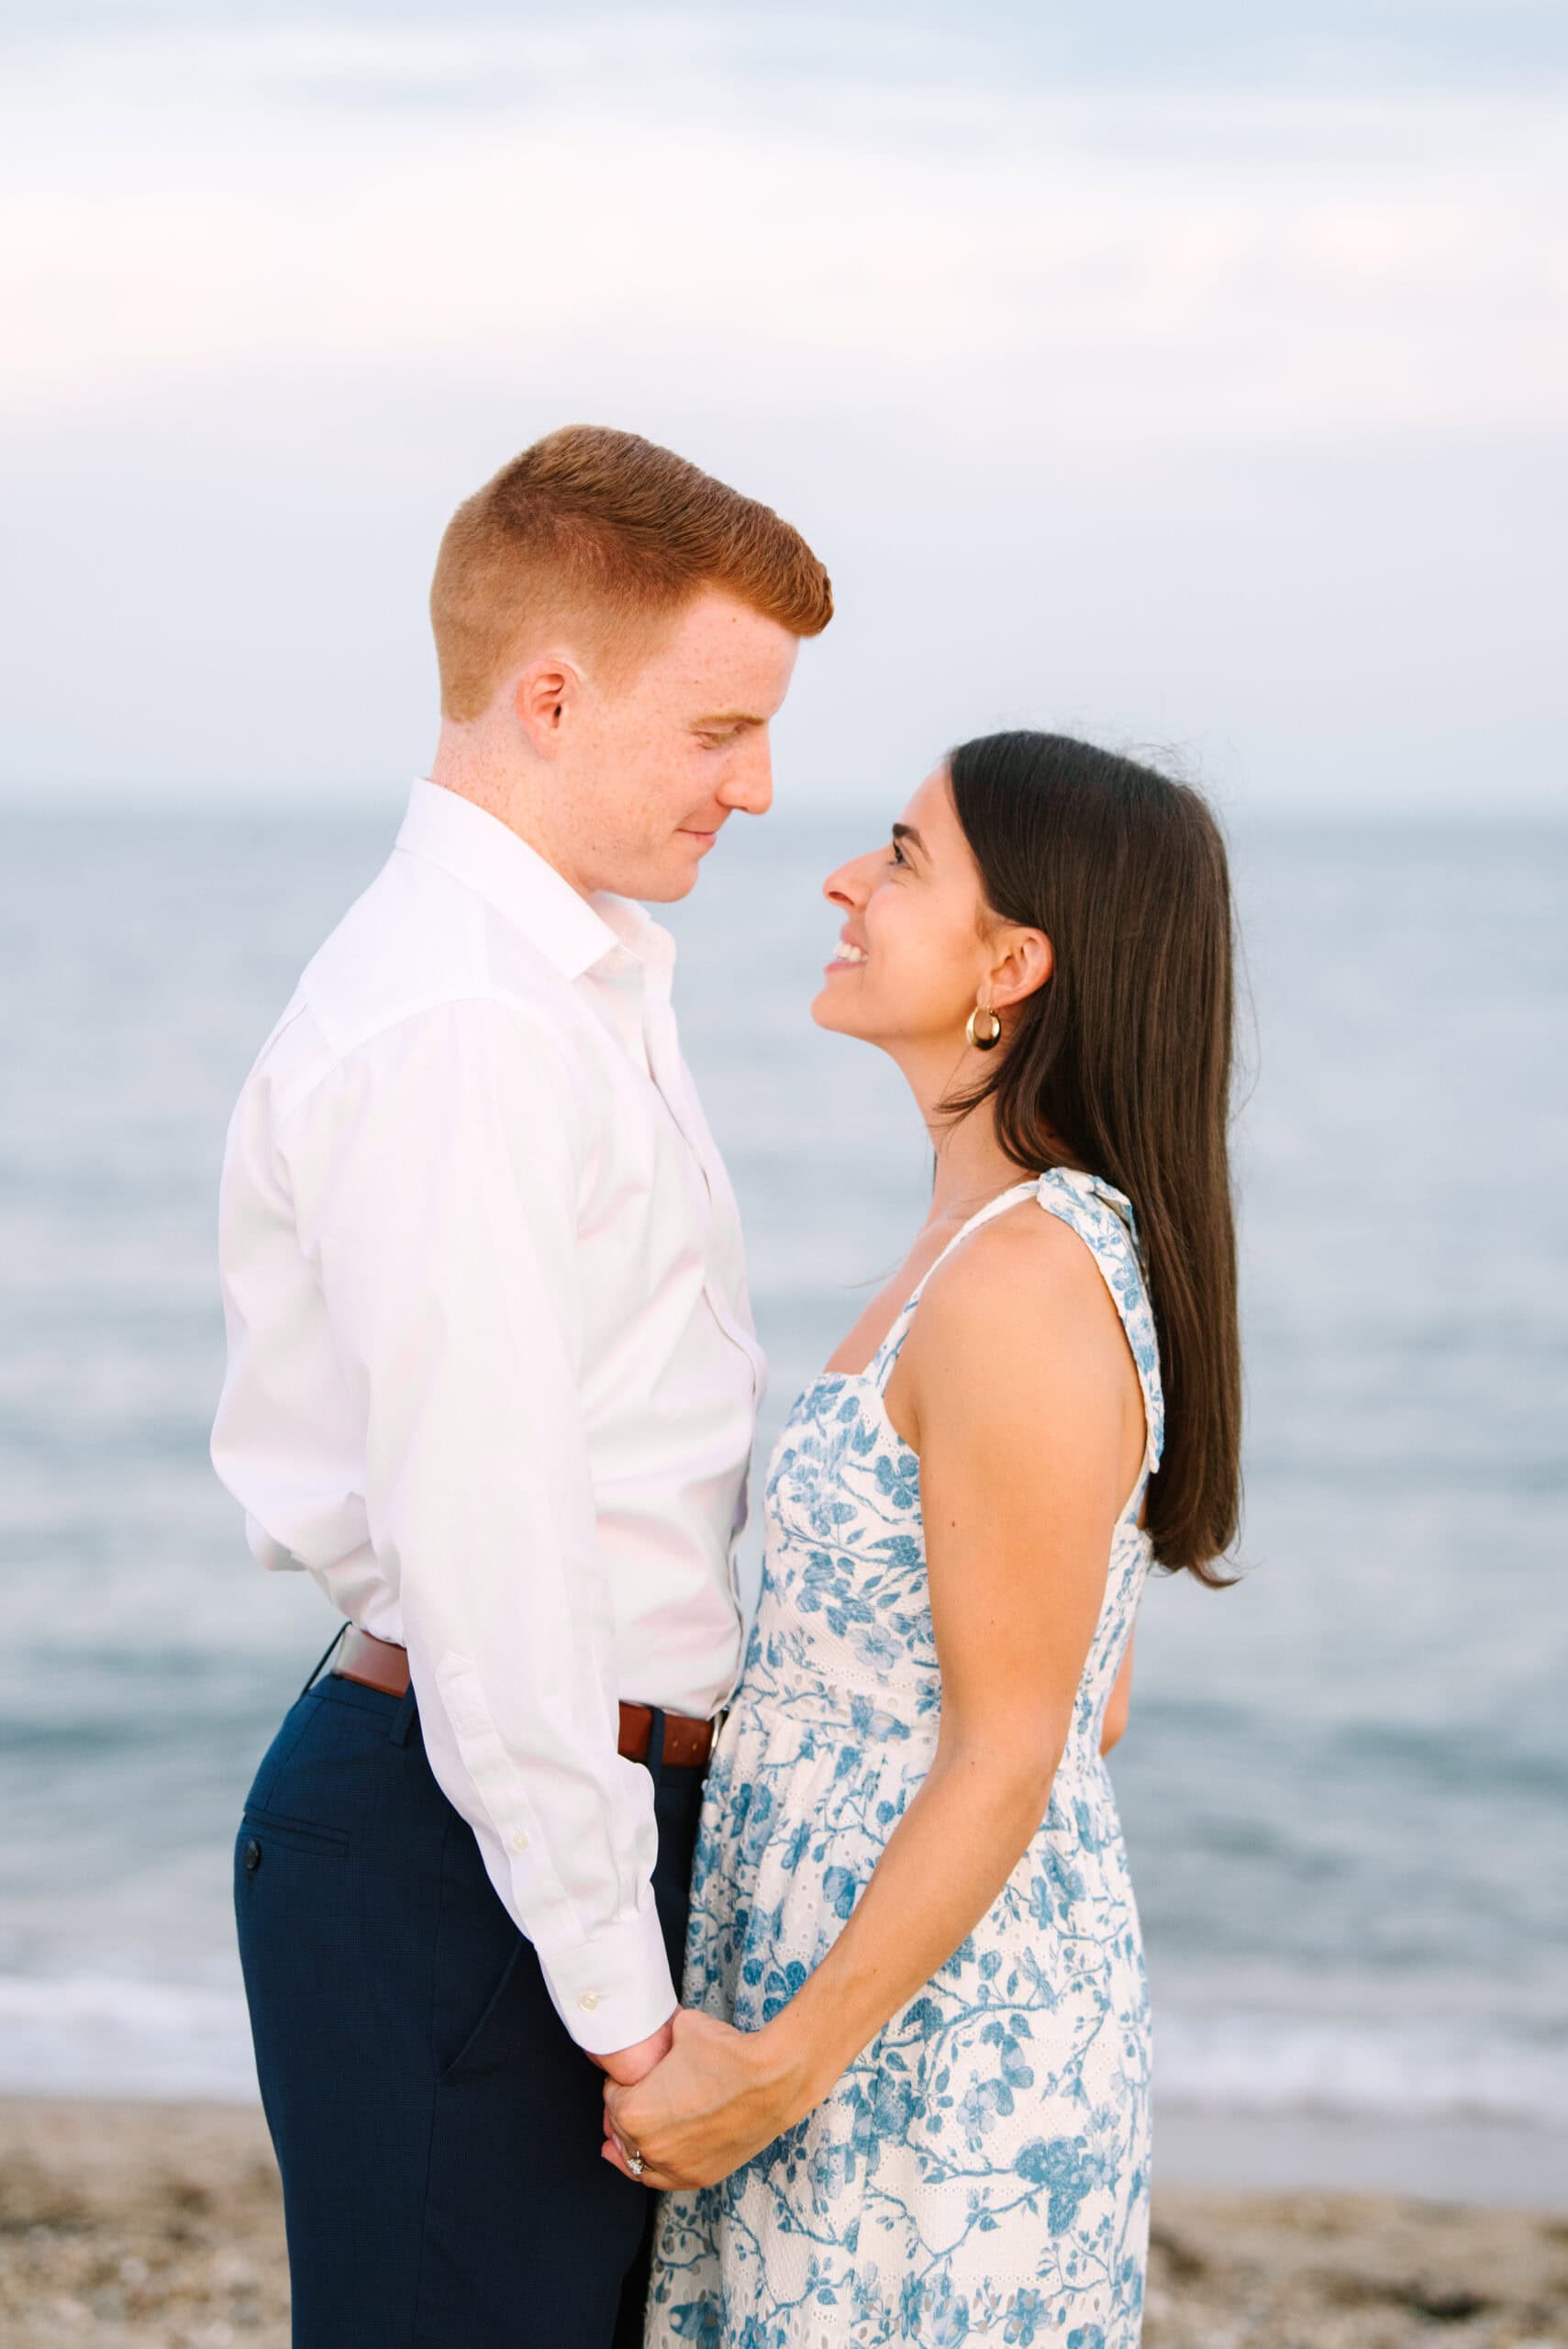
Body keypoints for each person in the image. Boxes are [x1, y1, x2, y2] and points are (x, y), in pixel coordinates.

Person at [209, 425, 831, 2348]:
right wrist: (623, 1998)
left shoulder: (569, 977)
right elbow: (492, 1548)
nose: (762, 783)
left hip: (526, 1824)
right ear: (551, 693)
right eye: (721, 726)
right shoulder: (467, 1022)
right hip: (470, 1845)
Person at [606, 731, 1242, 2348]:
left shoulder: (1021, 1287)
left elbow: (1021, 1741)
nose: (840, 879)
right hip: (872, 1981)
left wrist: (786, 2063)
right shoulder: (982, 1248)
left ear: (1010, 966)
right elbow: (1086, 1696)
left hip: (911, 2044)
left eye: (899, 856)